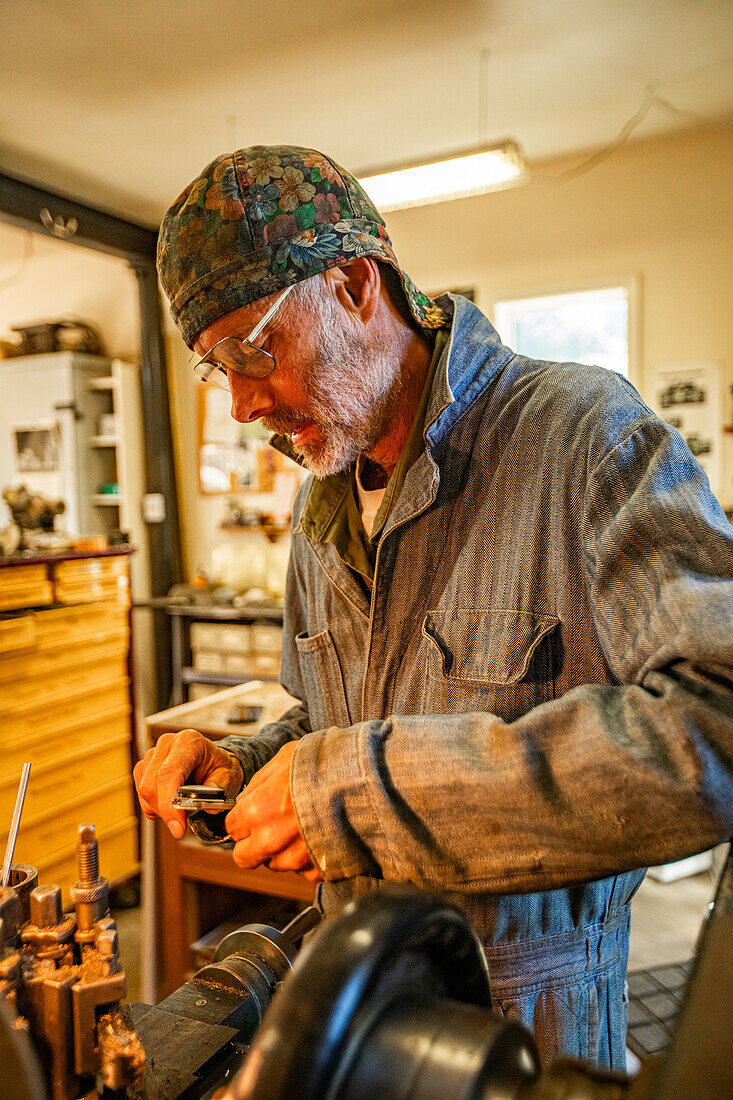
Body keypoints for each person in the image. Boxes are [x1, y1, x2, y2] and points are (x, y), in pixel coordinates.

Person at [137, 144, 733, 1068]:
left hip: (531, 1029)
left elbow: (717, 726)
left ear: (352, 286)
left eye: (257, 349)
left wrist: (355, 792)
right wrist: (249, 762)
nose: (243, 406)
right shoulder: (324, 492)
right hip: (352, 1014)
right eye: (220, 368)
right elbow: (330, 719)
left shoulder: (582, 435)